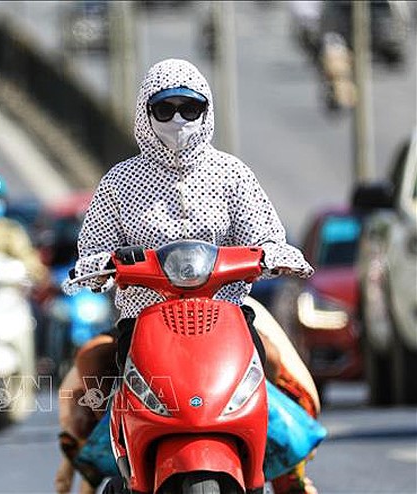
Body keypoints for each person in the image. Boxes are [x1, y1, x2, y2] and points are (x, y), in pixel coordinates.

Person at [72, 59, 318, 494]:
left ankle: (287, 468)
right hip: (146, 321)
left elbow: (267, 236)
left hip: (226, 317)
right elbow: (90, 252)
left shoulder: (233, 174)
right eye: (165, 110)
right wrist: (99, 265)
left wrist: (275, 255)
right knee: (96, 382)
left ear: (207, 111)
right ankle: (108, 465)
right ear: (145, 115)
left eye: (190, 108)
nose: (178, 120)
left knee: (275, 365)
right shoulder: (118, 182)